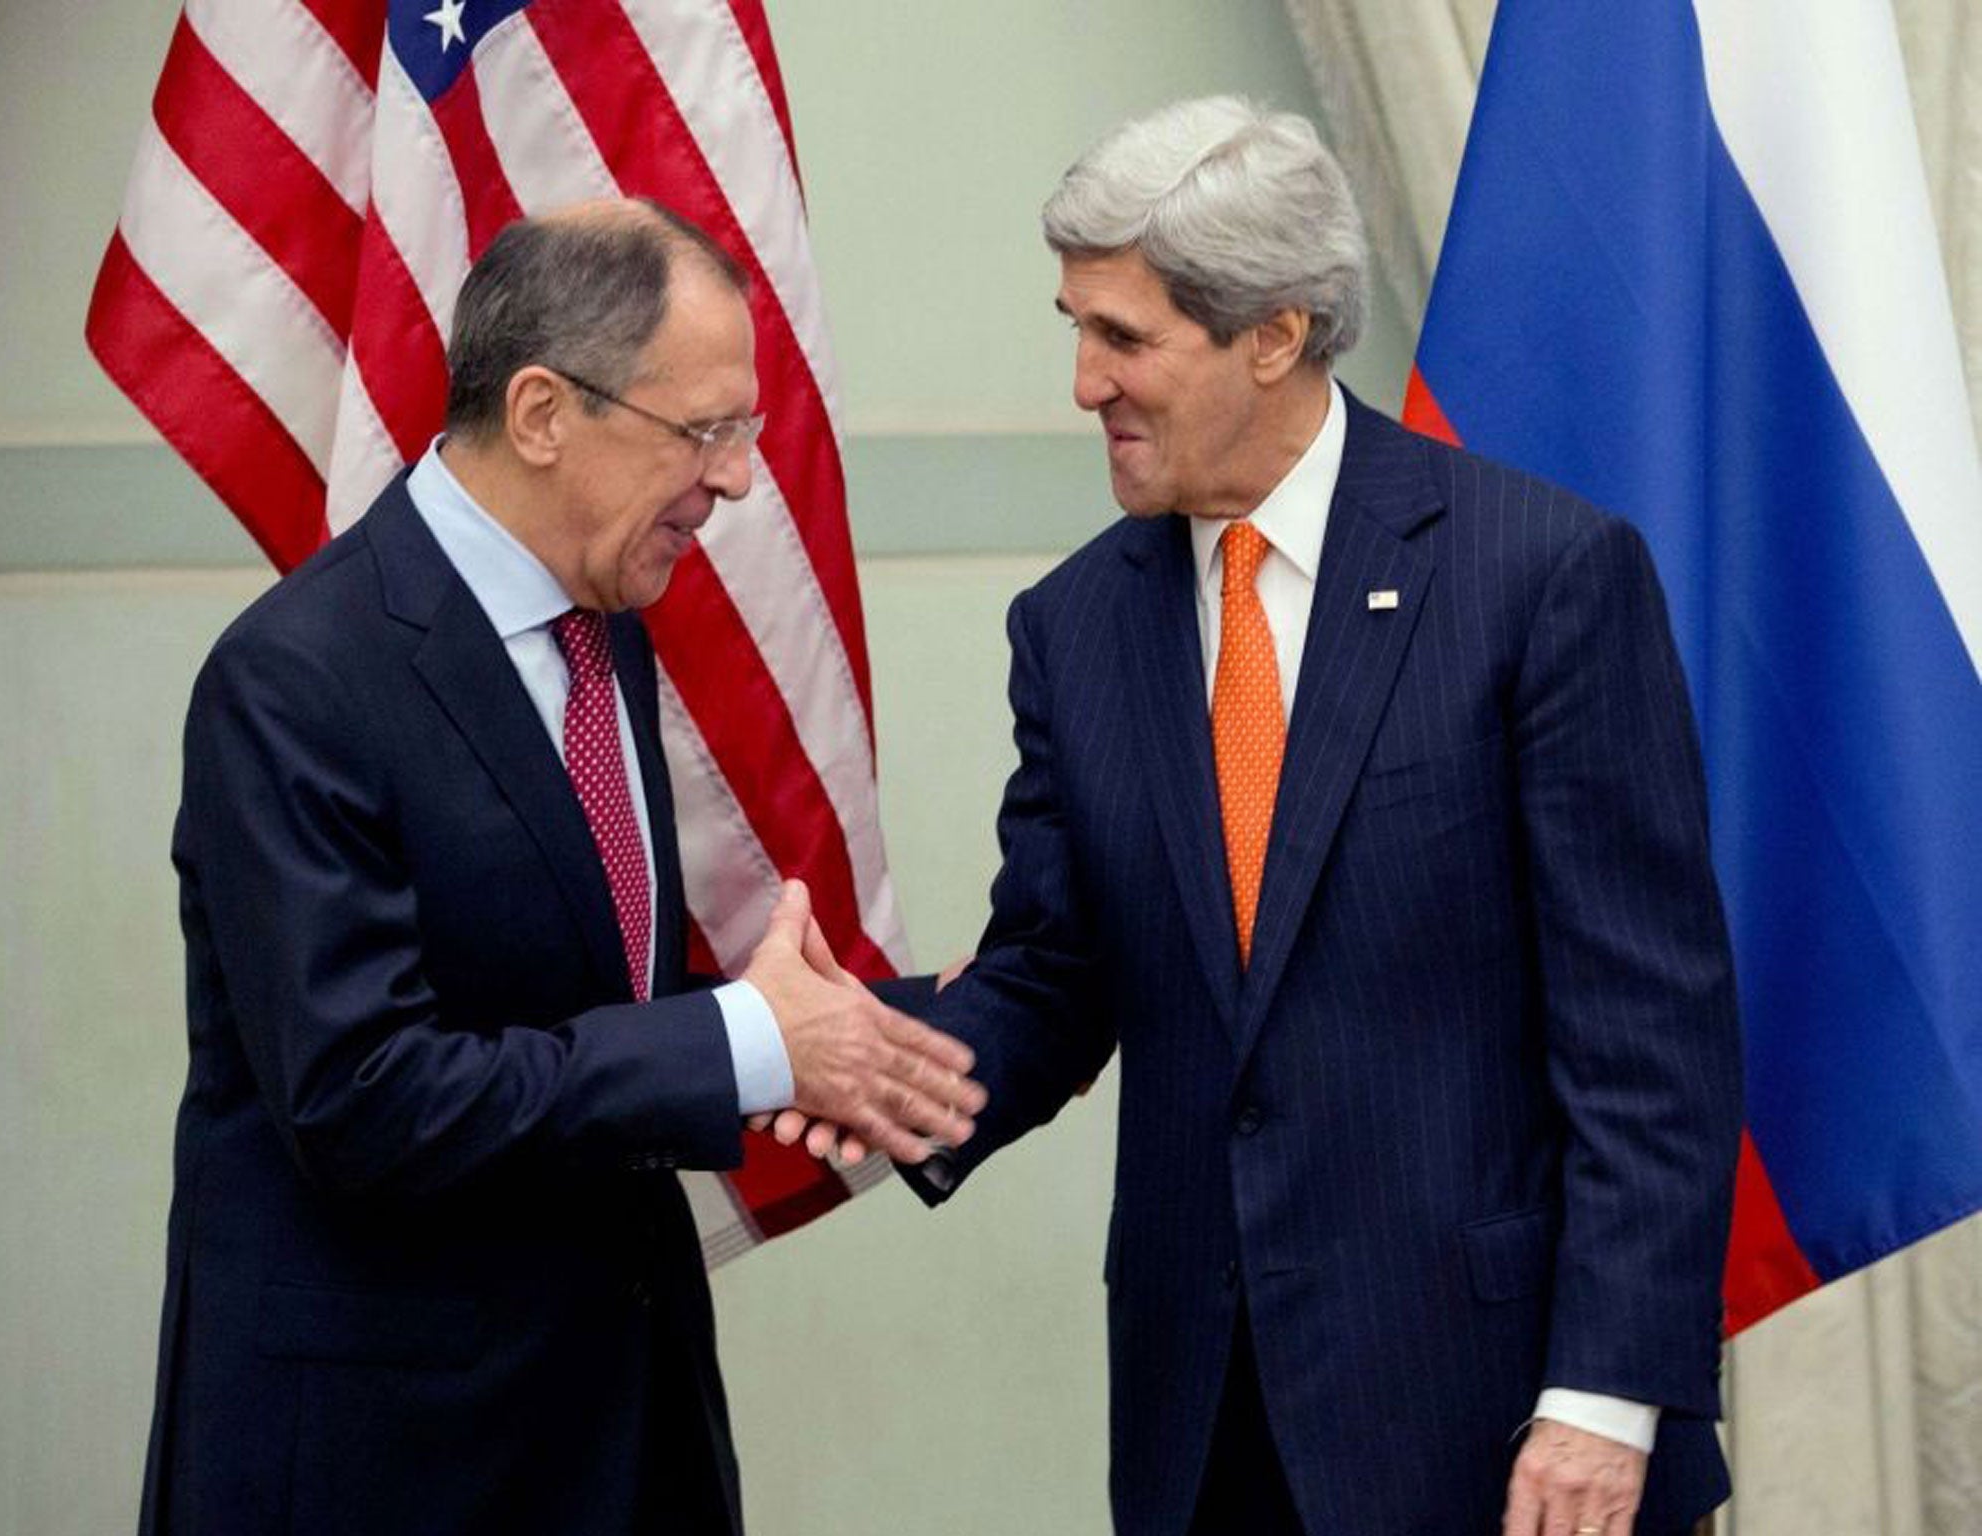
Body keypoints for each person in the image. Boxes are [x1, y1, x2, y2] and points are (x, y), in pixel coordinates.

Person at [785, 97, 1742, 1535]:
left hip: (1498, 1420)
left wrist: (1606, 1398)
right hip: (1205, 1422)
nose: (1082, 382)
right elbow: (1055, 972)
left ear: (1275, 337)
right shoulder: (1075, 627)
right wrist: (878, 1062)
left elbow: (1649, 1037)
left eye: (1125, 338)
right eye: (1076, 326)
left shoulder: (1535, 580)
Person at [138, 199, 982, 1536]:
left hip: (617, 1433)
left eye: (744, 432)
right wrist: (746, 1048)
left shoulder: (601, 626)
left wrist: (870, 1029)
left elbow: (557, 984)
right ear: (541, 413)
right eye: (704, 433)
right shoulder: (296, 681)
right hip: (394, 1461)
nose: (741, 480)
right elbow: (365, 1098)